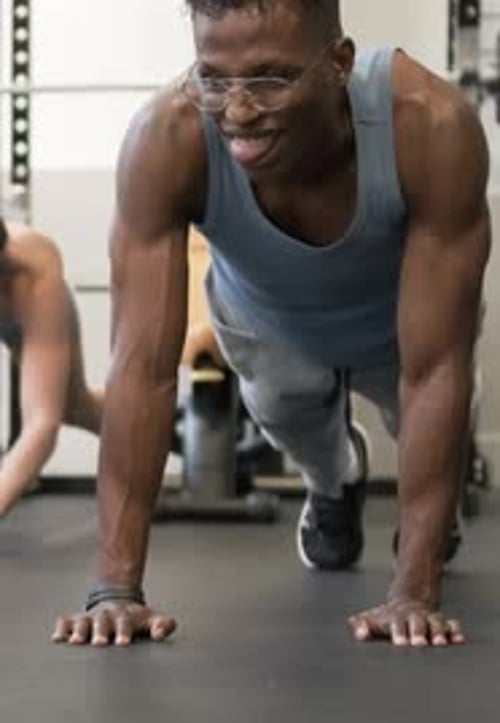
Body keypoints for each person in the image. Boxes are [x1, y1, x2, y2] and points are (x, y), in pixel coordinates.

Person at [52, 0, 491, 648]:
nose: (237, 109)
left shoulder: (430, 125)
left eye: (270, 78)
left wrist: (412, 592)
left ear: (339, 63)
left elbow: (433, 370)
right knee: (292, 417)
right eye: (214, 78)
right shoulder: (166, 138)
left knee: (435, 446)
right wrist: (115, 589)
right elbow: (141, 368)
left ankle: (432, 515)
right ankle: (333, 481)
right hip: (267, 323)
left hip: (401, 328)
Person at [0, 218, 104, 516]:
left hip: (24, 306)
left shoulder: (35, 276)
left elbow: (42, 423)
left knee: (73, 406)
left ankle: (161, 434)